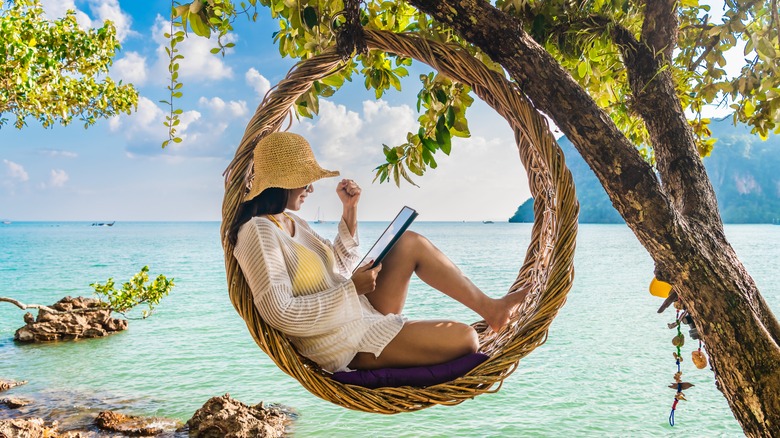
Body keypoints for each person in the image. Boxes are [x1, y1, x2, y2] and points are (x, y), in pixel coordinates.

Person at [229, 132, 528, 373]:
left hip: (358, 312)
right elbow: (279, 313)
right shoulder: (257, 231)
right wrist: (350, 290)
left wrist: (350, 210)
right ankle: (419, 332)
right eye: (305, 181)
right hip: (339, 341)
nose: (309, 189)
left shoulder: (292, 221)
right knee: (466, 338)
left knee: (409, 241)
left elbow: (339, 269)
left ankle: (491, 309)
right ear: (283, 183)